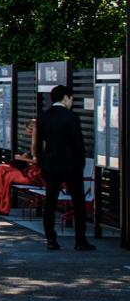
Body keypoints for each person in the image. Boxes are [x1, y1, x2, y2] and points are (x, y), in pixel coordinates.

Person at [36, 83, 93, 251]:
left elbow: (39, 143)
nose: (71, 102)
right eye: (71, 99)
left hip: (51, 165)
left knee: (50, 202)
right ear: (66, 98)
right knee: (78, 202)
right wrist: (81, 163)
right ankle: (80, 240)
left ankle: (51, 239)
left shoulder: (43, 117)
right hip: (71, 165)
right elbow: (78, 143)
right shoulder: (71, 117)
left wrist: (42, 162)